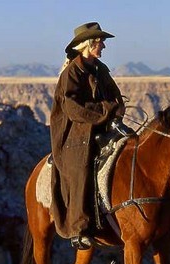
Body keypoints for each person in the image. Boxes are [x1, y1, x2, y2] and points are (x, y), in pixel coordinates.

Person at [50, 22, 125, 250]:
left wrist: (115, 110)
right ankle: (79, 228)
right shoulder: (72, 71)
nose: (103, 45)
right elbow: (73, 109)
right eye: (100, 41)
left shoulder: (100, 70)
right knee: (80, 167)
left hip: (102, 126)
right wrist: (105, 110)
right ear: (89, 44)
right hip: (75, 133)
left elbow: (116, 98)